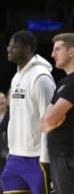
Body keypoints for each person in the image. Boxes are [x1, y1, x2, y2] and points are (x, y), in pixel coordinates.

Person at [39, 33, 74, 194]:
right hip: (60, 158)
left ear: (71, 52)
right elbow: (43, 124)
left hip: (72, 158)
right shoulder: (64, 82)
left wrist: (51, 121)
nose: (52, 54)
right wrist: (50, 121)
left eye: (57, 49)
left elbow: (49, 119)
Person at [1, 30, 55, 194]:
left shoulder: (41, 78)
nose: (9, 49)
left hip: (37, 159)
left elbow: (50, 119)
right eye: (9, 46)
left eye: (13, 46)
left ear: (27, 48)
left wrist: (45, 159)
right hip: (15, 157)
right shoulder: (16, 78)